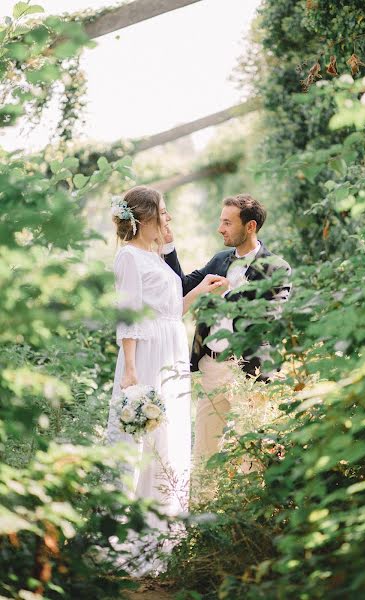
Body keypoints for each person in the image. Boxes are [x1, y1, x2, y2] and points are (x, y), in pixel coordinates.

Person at [106, 185, 225, 571]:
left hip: (170, 348)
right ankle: (126, 536)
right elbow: (128, 316)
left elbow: (172, 311)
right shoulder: (128, 258)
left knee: (169, 436)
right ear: (145, 217)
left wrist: (201, 290)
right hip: (147, 355)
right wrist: (130, 370)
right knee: (143, 441)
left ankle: (164, 532)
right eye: (164, 211)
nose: (169, 217)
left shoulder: (155, 257)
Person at [164, 193, 291, 463]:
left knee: (255, 453)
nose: (220, 228)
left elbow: (270, 318)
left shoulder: (277, 268)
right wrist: (168, 247)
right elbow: (183, 286)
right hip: (211, 368)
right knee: (204, 452)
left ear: (250, 226)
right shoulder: (220, 260)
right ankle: (201, 505)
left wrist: (227, 295)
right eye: (221, 222)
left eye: (227, 223)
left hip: (251, 372)